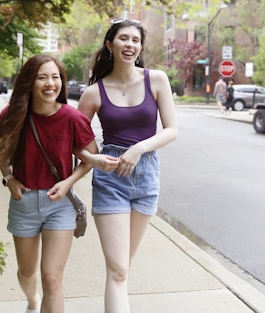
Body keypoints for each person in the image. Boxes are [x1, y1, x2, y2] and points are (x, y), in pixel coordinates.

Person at [0, 54, 117, 313]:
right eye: (42, 77)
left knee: (52, 278)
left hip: (60, 204)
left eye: (55, 77)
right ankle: (32, 301)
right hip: (24, 201)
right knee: (26, 273)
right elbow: (2, 150)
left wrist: (68, 182)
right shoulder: (13, 114)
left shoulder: (72, 118)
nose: (50, 84)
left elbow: (89, 159)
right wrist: (9, 178)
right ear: (30, 82)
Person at [76, 18, 178, 313]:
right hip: (111, 180)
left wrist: (139, 148)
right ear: (110, 45)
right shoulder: (94, 92)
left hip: (146, 176)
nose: (130, 45)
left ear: (140, 46)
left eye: (135, 40)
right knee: (119, 270)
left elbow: (171, 129)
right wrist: (95, 159)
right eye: (123, 39)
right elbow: (75, 140)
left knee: (122, 270)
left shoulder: (156, 80)